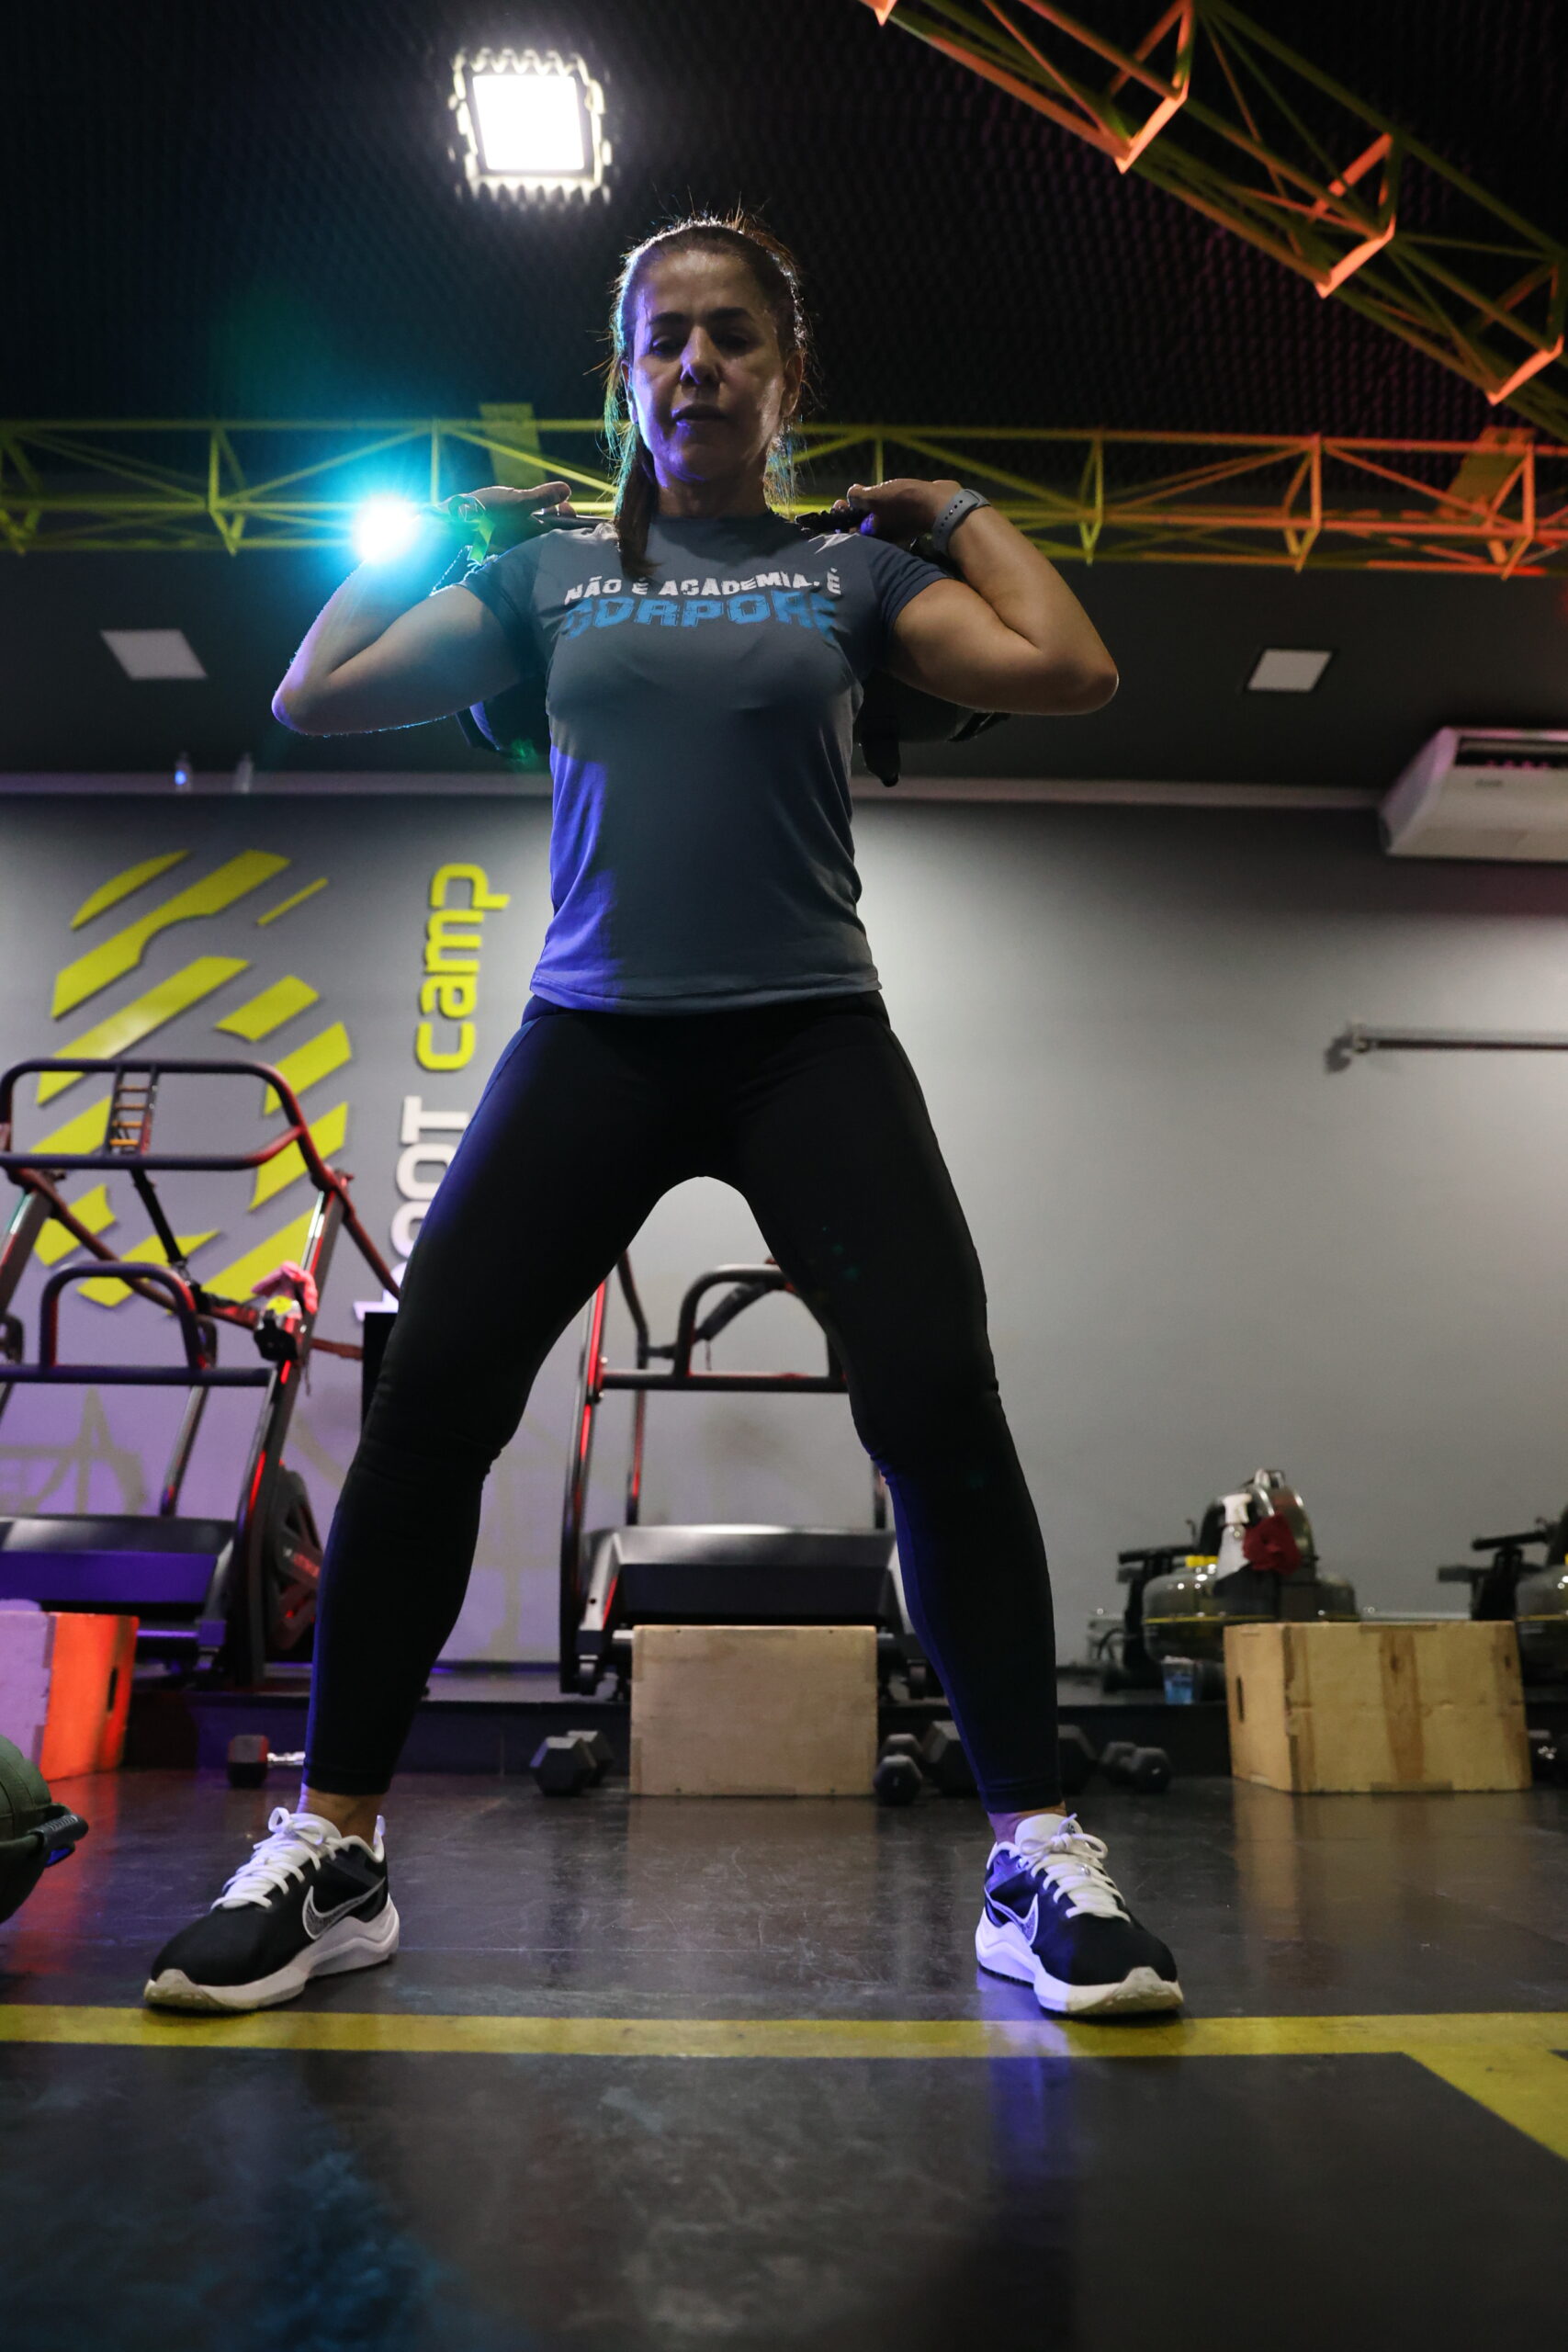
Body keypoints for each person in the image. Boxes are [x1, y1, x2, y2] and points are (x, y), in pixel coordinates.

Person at [145, 213, 1181, 2020]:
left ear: (787, 375)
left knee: (937, 1405)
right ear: (624, 376)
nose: (697, 363)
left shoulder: (848, 579)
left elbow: (1067, 665)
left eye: (732, 336)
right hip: (593, 1037)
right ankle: (333, 1846)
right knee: (430, 1404)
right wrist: (445, 536)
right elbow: (315, 689)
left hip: (805, 1037)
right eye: (664, 339)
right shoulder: (548, 578)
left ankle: (1036, 1858)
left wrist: (949, 507)